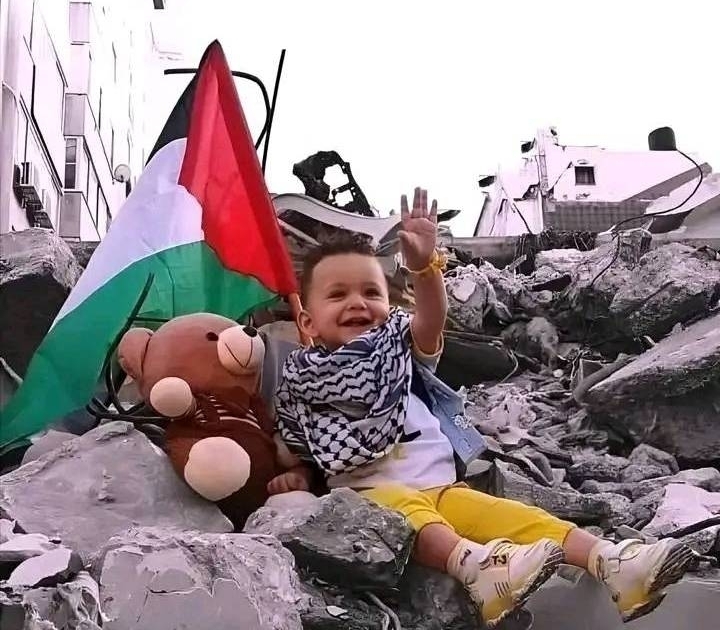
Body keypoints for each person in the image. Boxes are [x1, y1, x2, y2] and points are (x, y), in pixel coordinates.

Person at [268, 187, 693, 628]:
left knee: (518, 518)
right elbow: (301, 442)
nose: (357, 302)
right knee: (408, 512)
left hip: (443, 489)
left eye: (370, 292)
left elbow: (430, 318)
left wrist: (424, 268)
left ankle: (612, 562)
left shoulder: (399, 350)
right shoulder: (302, 381)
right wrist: (296, 475)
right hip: (371, 497)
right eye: (337, 295)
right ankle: (477, 569)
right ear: (307, 320)